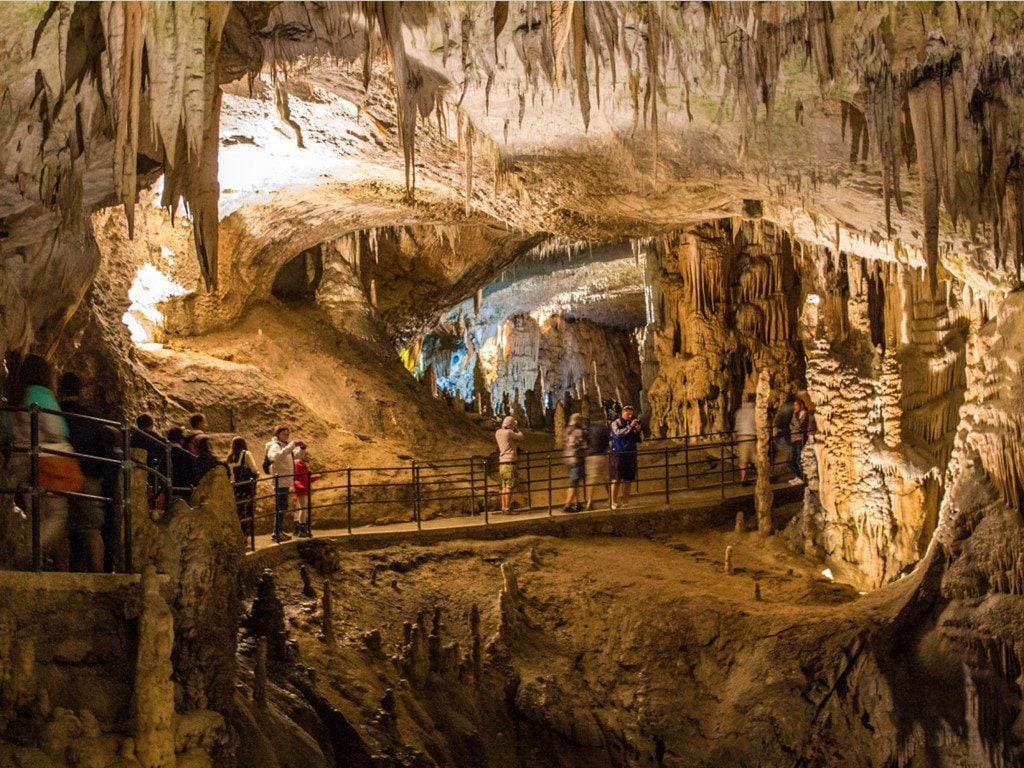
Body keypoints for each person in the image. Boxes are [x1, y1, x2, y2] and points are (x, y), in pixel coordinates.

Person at [7, 355, 76, 570]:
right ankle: (28, 553)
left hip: (19, 460)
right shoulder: (40, 394)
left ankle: (39, 559)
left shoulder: (16, 396)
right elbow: (58, 429)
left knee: (36, 514)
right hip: (45, 461)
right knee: (57, 514)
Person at [57, 372, 107, 573]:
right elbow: (101, 446)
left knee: (62, 527)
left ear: (60, 389)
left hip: (59, 474)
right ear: (80, 391)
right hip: (88, 474)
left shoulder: (55, 413)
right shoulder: (90, 416)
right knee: (92, 528)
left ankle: (61, 573)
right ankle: (99, 572)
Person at [265, 425, 303, 542]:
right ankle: (276, 532)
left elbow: (294, 456)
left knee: (283, 506)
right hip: (280, 480)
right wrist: (292, 446)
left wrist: (301, 448)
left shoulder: (284, 446)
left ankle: (278, 531)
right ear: (278, 434)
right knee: (280, 506)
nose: (287, 436)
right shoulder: (274, 446)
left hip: (285, 480)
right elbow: (275, 457)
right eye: (284, 434)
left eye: (288, 434)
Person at [610, 405, 642, 509]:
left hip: (630, 453)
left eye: (631, 412)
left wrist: (637, 431)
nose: (630, 414)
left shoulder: (633, 423)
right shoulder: (616, 423)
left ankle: (625, 501)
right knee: (616, 479)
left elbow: (638, 439)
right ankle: (613, 502)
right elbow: (618, 434)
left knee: (628, 480)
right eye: (627, 412)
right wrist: (631, 427)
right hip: (618, 454)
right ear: (622, 412)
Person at [226, 437, 259, 535]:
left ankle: (239, 535)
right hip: (246, 489)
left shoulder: (229, 457)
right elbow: (254, 470)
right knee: (248, 512)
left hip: (235, 489)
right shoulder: (246, 454)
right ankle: (246, 536)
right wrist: (256, 478)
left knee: (238, 512)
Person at [494, 415, 524, 513]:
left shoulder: (498, 432)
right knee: (509, 486)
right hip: (510, 462)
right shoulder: (509, 433)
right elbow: (521, 436)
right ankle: (507, 508)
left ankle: (503, 507)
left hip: (502, 462)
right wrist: (516, 427)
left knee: (504, 486)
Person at [584, 413, 611, 511]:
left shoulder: (589, 429)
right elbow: (608, 441)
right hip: (602, 455)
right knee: (607, 478)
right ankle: (611, 500)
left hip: (590, 456)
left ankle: (589, 502)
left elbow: (586, 442)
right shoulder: (604, 428)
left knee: (591, 480)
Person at [291, 447, 320, 538]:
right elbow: (295, 478)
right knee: (303, 509)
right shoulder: (297, 465)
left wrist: (315, 477)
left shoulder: (304, 465)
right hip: (302, 490)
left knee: (302, 508)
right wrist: (301, 487)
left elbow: (306, 478)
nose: (308, 456)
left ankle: (298, 527)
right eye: (306, 454)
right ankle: (302, 528)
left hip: (305, 489)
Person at [562, 413, 587, 513]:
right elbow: (584, 445)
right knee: (574, 482)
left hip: (568, 458)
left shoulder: (567, 430)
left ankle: (577, 503)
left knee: (575, 481)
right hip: (576, 459)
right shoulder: (579, 432)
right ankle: (567, 504)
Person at [166, 426, 198, 499]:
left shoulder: (162, 452)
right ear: (181, 439)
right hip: (183, 492)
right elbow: (193, 475)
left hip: (164, 491)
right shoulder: (188, 456)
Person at [733, 393, 757, 486]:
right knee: (758, 458)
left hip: (741, 437)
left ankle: (743, 479)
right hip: (751, 436)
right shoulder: (755, 411)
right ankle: (761, 478)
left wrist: (736, 435)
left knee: (743, 459)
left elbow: (737, 425)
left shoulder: (740, 411)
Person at [772, 395, 794, 476]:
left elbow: (777, 421)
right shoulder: (793, 406)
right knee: (787, 450)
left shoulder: (782, 408)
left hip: (781, 432)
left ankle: (779, 469)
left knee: (782, 451)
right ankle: (779, 470)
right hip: (788, 431)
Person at [789, 398, 809, 484]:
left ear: (801, 405)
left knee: (799, 458)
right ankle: (798, 476)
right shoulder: (796, 414)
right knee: (792, 459)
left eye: (796, 405)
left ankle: (802, 478)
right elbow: (790, 426)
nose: (795, 407)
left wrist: (794, 417)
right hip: (794, 438)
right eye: (794, 405)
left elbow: (799, 425)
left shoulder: (804, 414)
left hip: (800, 438)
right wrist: (795, 427)